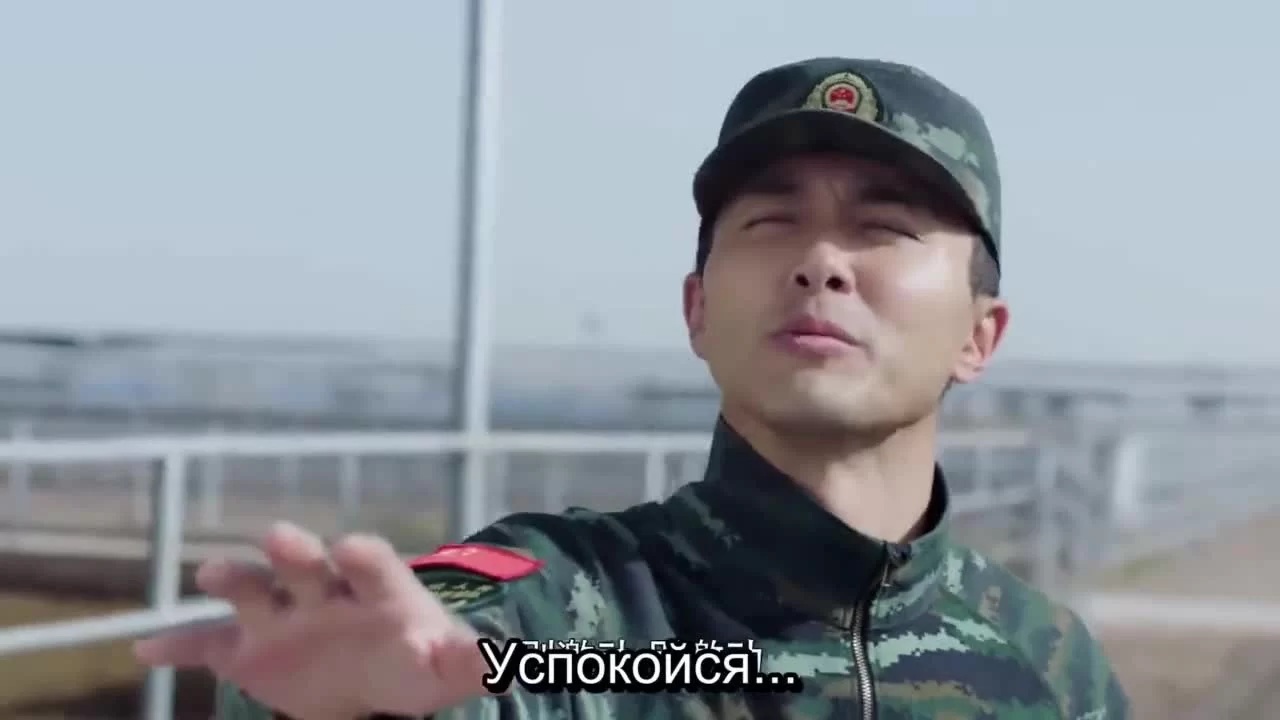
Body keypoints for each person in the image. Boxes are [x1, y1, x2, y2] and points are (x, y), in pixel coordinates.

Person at [136, 56, 1132, 720]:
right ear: (696, 309)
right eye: (770, 223)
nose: (821, 262)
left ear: (979, 334)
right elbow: (469, 658)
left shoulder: (1051, 667)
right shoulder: (587, 619)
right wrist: (359, 705)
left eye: (883, 227)